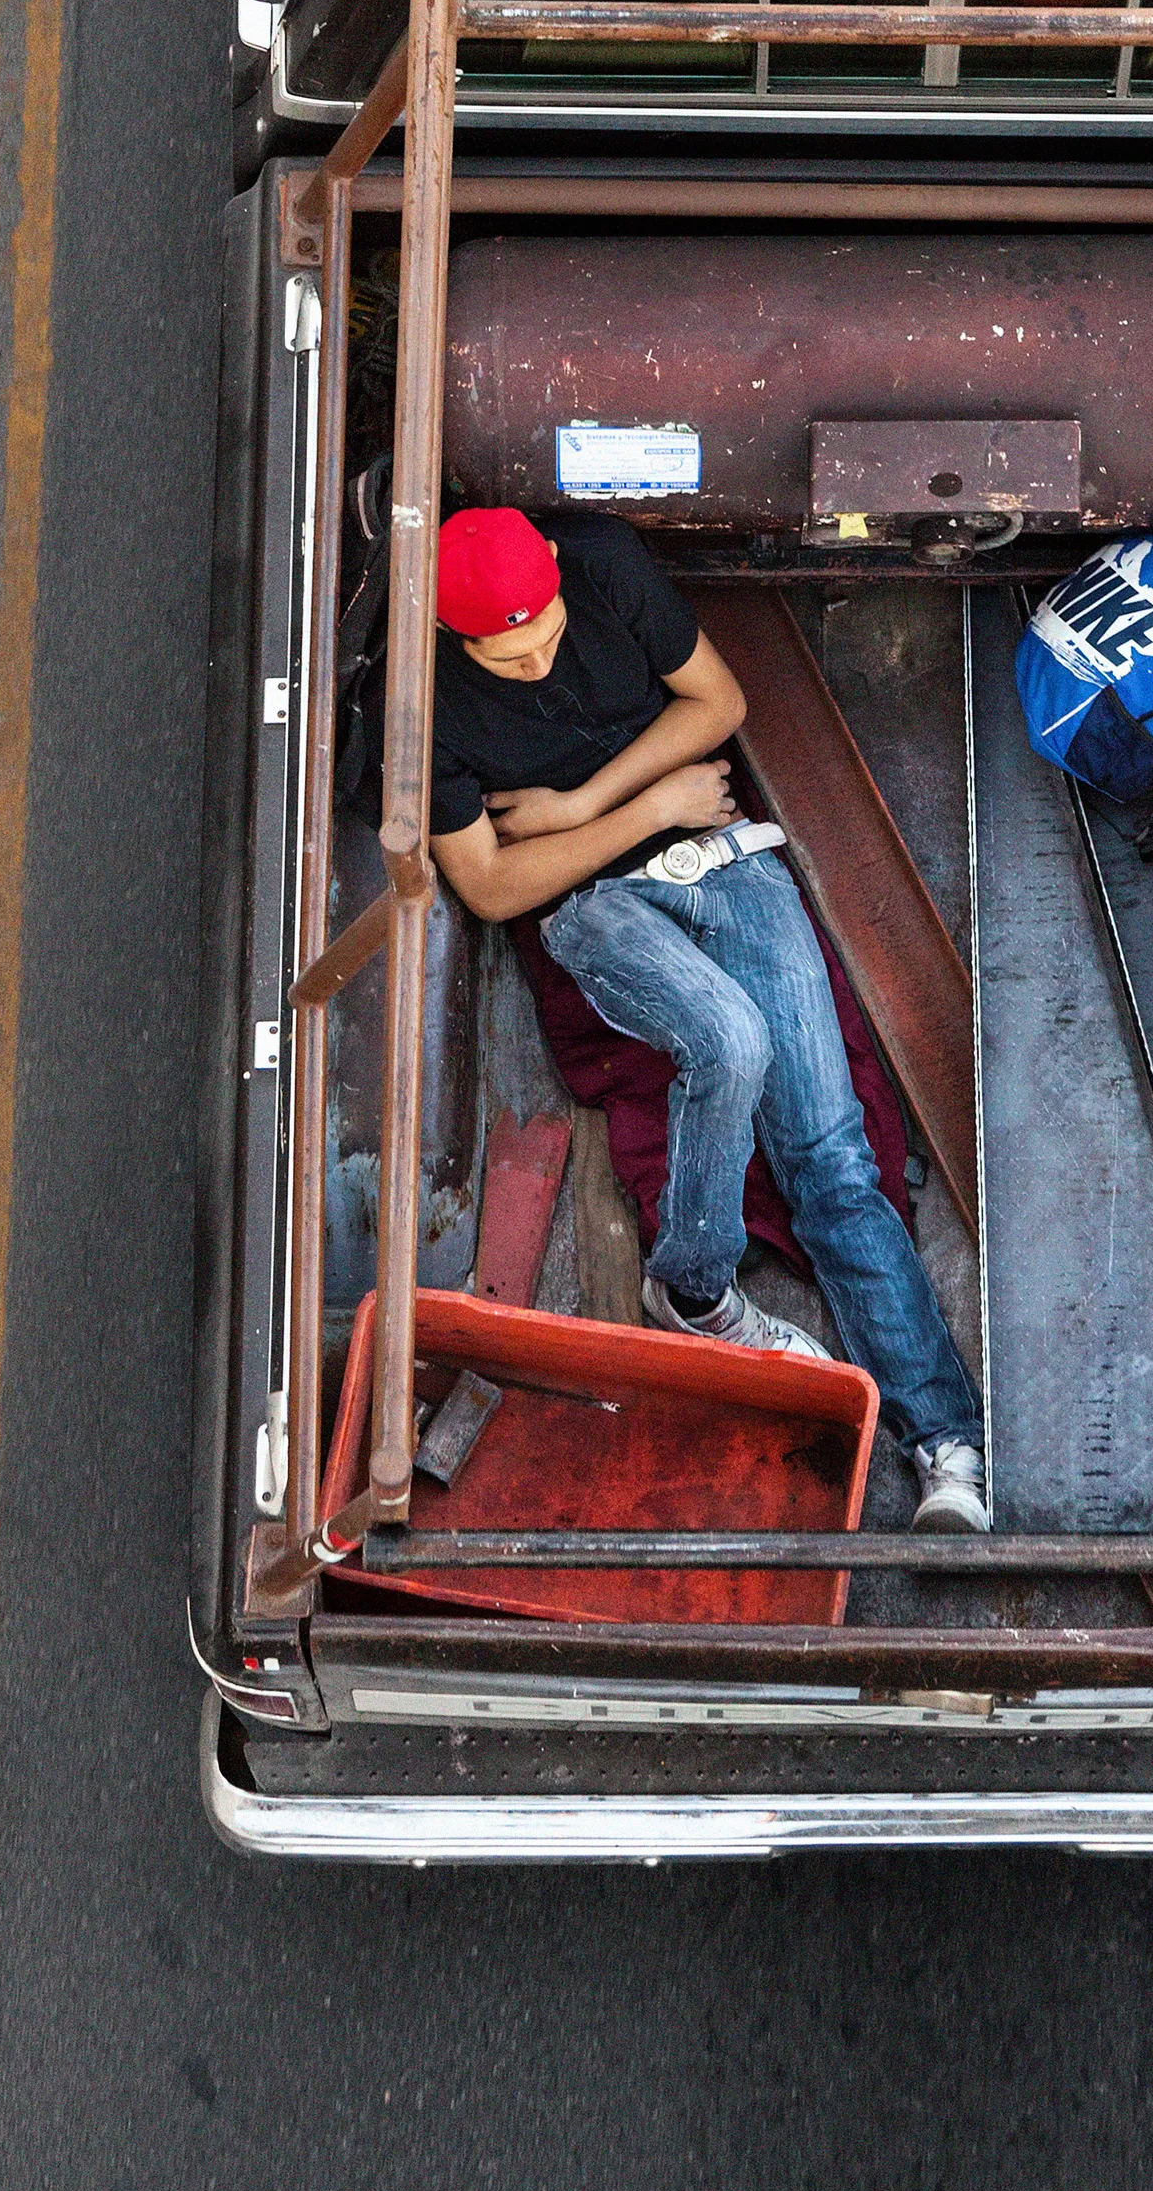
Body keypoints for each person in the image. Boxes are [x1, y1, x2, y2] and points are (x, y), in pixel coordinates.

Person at [420, 501, 988, 1532]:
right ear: (453, 635)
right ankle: (691, 1288)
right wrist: (633, 809)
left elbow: (715, 701)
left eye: (547, 630)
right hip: (589, 902)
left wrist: (578, 800)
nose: (539, 660)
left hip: (724, 855)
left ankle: (946, 1449)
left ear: (552, 568)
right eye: (508, 658)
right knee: (729, 1039)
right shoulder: (420, 707)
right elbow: (495, 889)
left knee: (833, 1157)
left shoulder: (595, 560)